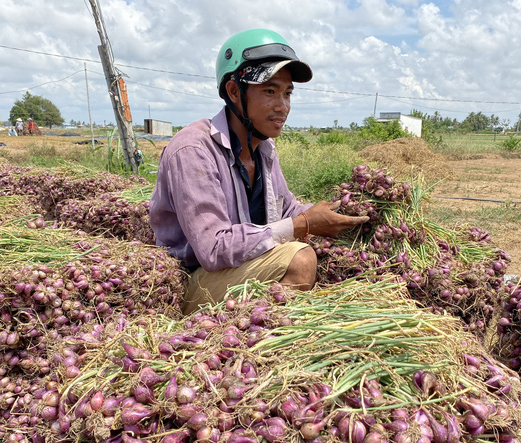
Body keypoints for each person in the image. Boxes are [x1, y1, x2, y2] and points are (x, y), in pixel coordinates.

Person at [149, 28, 368, 314]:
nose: (283, 107)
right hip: (194, 281)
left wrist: (344, 216)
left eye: (287, 93)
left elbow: (288, 209)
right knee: (301, 259)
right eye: (269, 91)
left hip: (238, 268)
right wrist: (304, 225)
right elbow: (213, 250)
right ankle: (259, 345)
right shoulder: (193, 151)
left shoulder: (262, 150)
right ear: (233, 91)